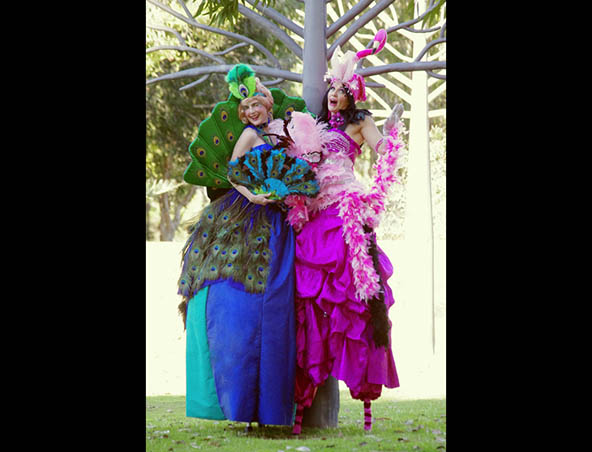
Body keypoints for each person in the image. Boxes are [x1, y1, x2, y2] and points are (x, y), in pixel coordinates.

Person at [285, 30, 404, 434]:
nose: (333, 93)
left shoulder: (358, 123)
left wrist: (392, 132)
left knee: (353, 301)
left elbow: (384, 149)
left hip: (346, 215)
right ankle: (304, 397)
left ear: (353, 93)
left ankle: (365, 400)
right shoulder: (314, 127)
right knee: (311, 303)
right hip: (315, 217)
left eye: (340, 88)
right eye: (330, 88)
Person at [177, 64, 299, 429]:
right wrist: (255, 197)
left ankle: (272, 411)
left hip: (277, 220)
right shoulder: (248, 135)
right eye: (246, 108)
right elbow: (234, 173)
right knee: (241, 304)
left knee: (276, 307)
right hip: (246, 212)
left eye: (256, 105)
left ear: (268, 106)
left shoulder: (279, 135)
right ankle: (240, 405)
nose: (251, 111)